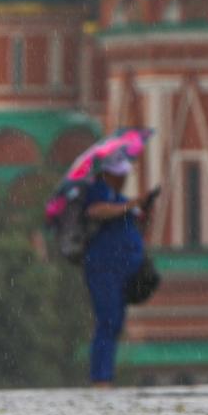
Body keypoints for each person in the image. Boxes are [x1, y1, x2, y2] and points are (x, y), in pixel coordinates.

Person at [65, 131, 147, 388]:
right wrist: (127, 207)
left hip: (119, 267)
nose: (123, 179)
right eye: (120, 175)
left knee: (115, 321)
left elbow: (131, 218)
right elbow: (96, 212)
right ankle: (100, 378)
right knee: (107, 319)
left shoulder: (116, 196)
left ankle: (105, 375)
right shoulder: (98, 191)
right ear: (109, 173)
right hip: (103, 266)